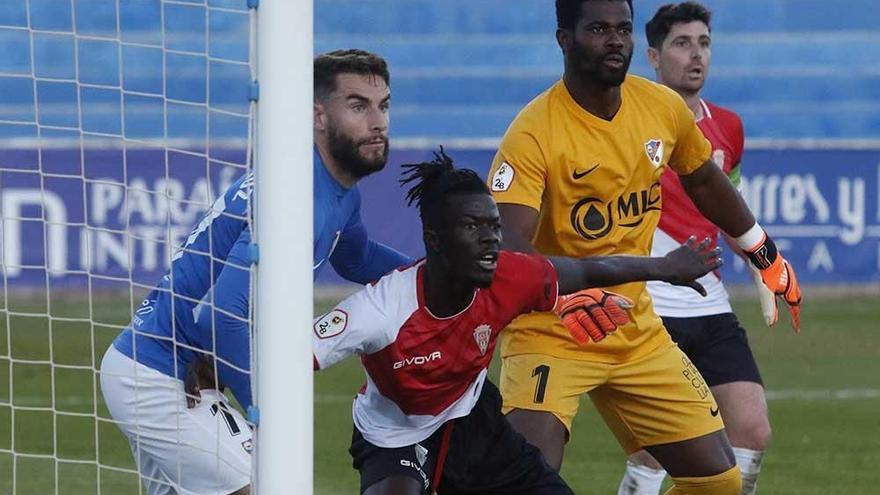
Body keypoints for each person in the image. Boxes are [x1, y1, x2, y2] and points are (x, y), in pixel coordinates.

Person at [485, 1, 802, 494]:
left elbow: (703, 179)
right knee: (526, 480)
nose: (615, 40)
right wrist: (568, 296)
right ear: (564, 39)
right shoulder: (533, 133)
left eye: (623, 29)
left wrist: (764, 252)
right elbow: (509, 244)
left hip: (635, 330)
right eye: (597, 29)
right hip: (554, 328)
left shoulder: (660, 107)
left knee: (720, 482)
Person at [313, 149, 724, 495]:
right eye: (473, 227)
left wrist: (665, 267)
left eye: (494, 225)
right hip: (394, 437)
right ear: (434, 239)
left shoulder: (510, 275)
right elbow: (293, 353)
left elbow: (590, 269)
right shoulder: (380, 311)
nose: (491, 238)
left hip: (472, 421)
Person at [99, 49, 412, 495]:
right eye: (358, 106)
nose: (378, 121)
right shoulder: (296, 195)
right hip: (160, 378)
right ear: (317, 116)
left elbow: (356, 257)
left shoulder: (333, 190)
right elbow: (221, 312)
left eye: (383, 106)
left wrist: (431, 273)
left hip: (178, 375)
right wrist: (262, 411)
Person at [617, 4, 779, 494]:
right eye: (682, 44)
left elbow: (727, 207)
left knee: (752, 430)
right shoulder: (625, 118)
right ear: (652, 56)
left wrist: (763, 267)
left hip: (710, 305)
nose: (696, 55)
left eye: (704, 43)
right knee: (653, 449)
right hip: (649, 305)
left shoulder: (727, 126)